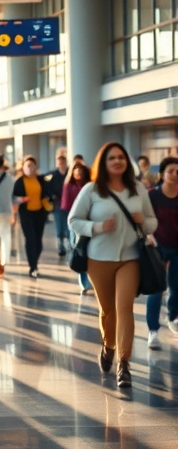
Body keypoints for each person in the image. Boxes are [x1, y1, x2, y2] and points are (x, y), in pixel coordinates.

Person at [69, 142, 157, 388]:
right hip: (98, 259)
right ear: (103, 163)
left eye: (121, 157)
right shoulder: (91, 190)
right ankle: (108, 346)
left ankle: (124, 364)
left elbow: (152, 222)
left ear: (126, 162)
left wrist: (143, 221)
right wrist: (97, 227)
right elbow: (73, 220)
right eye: (111, 158)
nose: (117, 161)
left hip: (130, 258)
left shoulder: (138, 189)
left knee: (125, 307)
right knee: (108, 310)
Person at [146, 156, 178, 350]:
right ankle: (153, 331)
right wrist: (148, 235)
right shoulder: (152, 196)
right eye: (171, 171)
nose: (175, 174)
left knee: (176, 287)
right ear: (162, 174)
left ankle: (172, 316)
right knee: (156, 289)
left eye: (177, 171)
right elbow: (144, 219)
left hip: (177, 248)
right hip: (156, 247)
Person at [12, 156, 53, 278]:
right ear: (23, 167)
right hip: (26, 213)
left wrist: (49, 199)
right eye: (27, 165)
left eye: (32, 165)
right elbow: (13, 197)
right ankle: (32, 266)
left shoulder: (40, 179)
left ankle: (35, 262)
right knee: (30, 239)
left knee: (38, 241)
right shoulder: (19, 181)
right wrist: (21, 199)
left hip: (39, 212)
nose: (30, 168)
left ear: (35, 167)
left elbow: (47, 192)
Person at [60, 162, 94, 294]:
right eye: (76, 171)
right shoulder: (69, 185)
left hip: (90, 222)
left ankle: (92, 279)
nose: (78, 173)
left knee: (91, 251)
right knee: (80, 250)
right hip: (76, 223)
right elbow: (66, 206)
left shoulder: (89, 186)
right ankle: (84, 282)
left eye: (81, 171)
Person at [46, 154, 71, 257]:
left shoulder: (70, 173)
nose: (61, 165)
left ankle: (69, 245)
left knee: (69, 226)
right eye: (59, 163)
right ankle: (61, 246)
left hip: (69, 204)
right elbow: (47, 186)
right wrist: (52, 197)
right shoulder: (53, 175)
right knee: (59, 226)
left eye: (62, 163)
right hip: (58, 204)